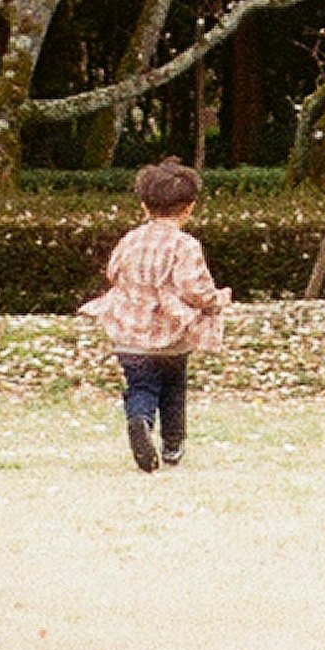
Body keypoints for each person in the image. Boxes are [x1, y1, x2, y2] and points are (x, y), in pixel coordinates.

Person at [82, 156, 233, 473]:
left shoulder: (131, 239)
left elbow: (113, 272)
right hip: (170, 336)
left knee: (141, 387)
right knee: (174, 389)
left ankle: (140, 419)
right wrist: (216, 300)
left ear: (143, 206)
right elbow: (195, 288)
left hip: (128, 334)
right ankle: (173, 446)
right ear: (189, 207)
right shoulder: (184, 245)